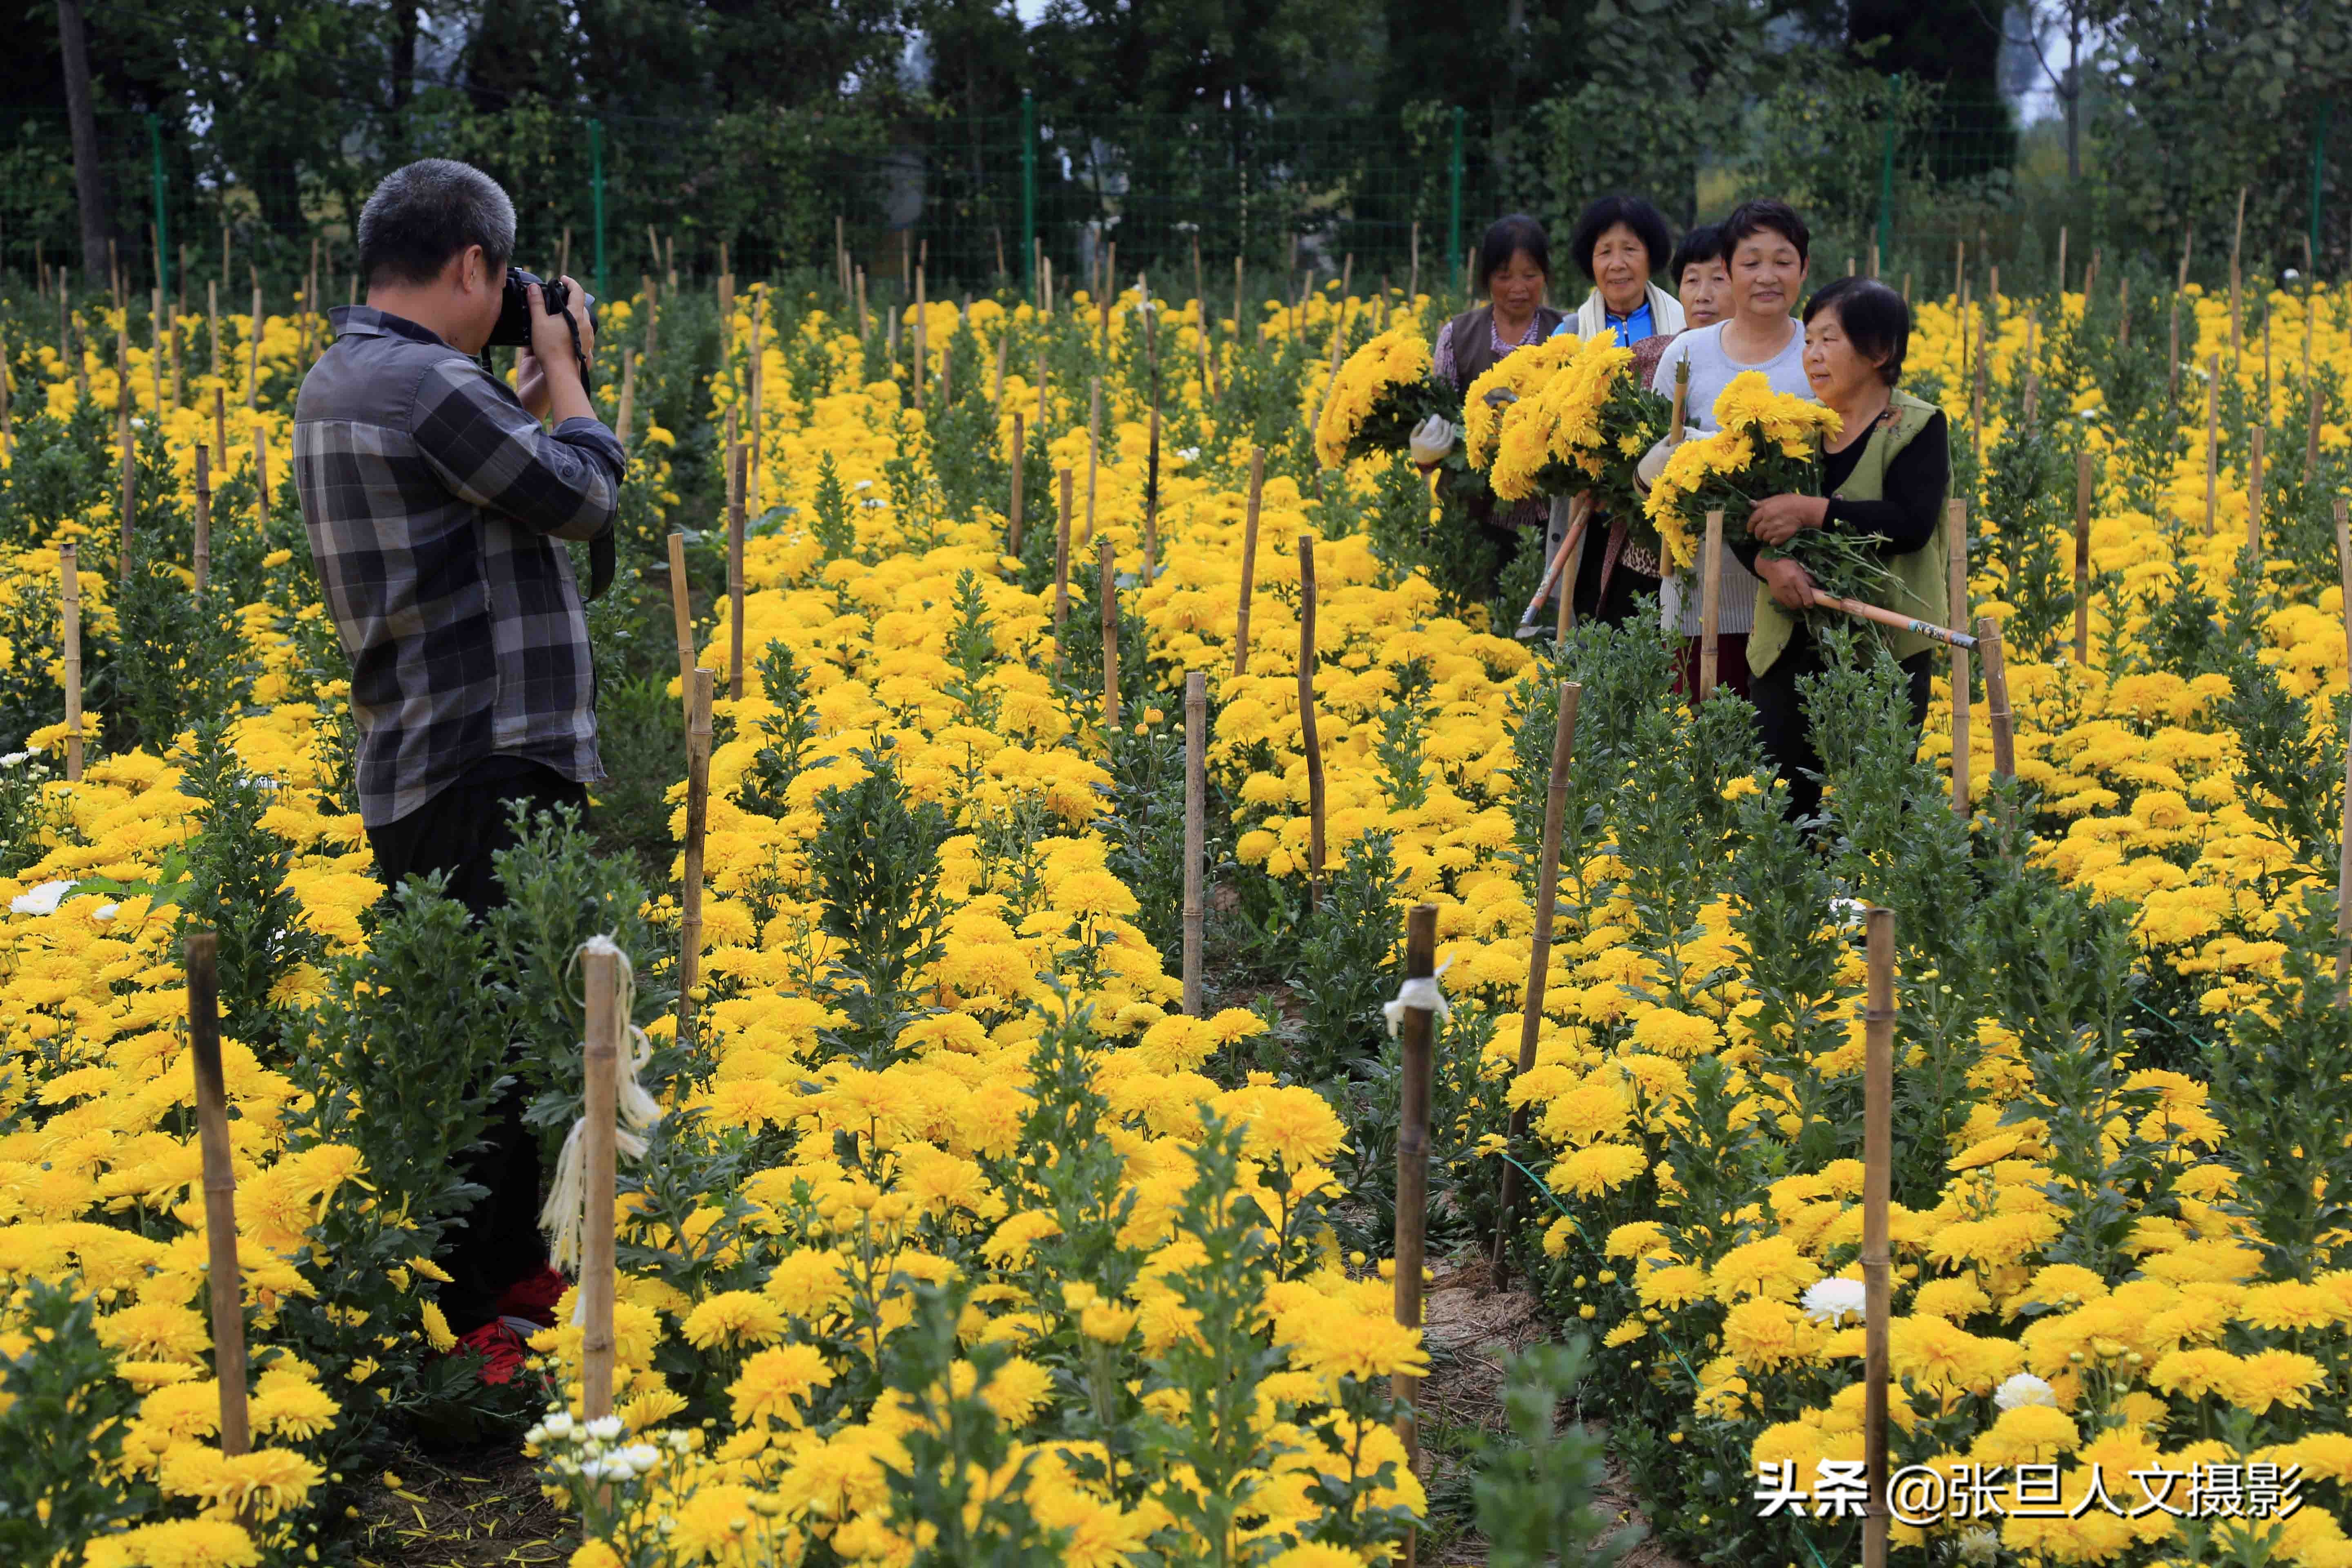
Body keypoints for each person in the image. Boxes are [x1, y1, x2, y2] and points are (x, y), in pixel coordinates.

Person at [293, 158, 625, 1377]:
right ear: (475, 262)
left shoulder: (346, 375)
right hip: (486, 753)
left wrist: (522, 389)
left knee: (475, 1022)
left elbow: (487, 492)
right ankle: (488, 1319)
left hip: (421, 750)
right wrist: (568, 376)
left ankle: (507, 1275)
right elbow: (584, 497)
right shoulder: (429, 383)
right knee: (499, 1036)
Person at [1736, 275, 1951, 823]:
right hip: (1788, 645)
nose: (1812, 355)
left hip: (1883, 646)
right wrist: (1769, 565)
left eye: (1829, 340)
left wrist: (1812, 511)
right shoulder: (1790, 428)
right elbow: (1745, 523)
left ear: (1880, 352)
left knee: (1881, 809)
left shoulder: (1917, 426)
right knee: (1783, 813)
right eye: (1808, 340)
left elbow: (1910, 524)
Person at [1646, 200, 1816, 698]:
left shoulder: (1820, 353)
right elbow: (1652, 469)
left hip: (1796, 597)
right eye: (1751, 262)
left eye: (1783, 261)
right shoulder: (1686, 355)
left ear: (1805, 269)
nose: (1767, 277)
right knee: (1700, 732)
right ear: (1728, 269)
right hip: (1699, 600)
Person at [1568, 223, 1734, 627]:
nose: (1703, 294)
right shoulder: (1646, 356)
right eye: (1691, 280)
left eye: (1718, 279)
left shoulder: (1757, 365)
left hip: (1728, 556)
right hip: (1644, 552)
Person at [1429, 215, 1566, 599]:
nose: (1518, 288)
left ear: (1545, 276)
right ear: (1487, 277)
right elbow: (1440, 415)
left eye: (1530, 275)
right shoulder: (1457, 335)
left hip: (1547, 515)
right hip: (1473, 513)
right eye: (1505, 276)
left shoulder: (1566, 333)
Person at [1557, 195, 1685, 346]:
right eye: (1605, 252)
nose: (1617, 265)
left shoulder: (1685, 326)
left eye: (1630, 249)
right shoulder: (1568, 335)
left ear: (1651, 256)